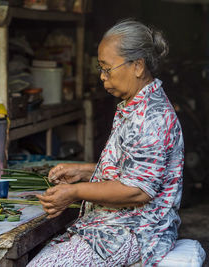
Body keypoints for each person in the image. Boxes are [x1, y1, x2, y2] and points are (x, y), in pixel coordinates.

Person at [27, 19, 184, 267]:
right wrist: (84, 171)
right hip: (113, 225)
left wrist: (74, 192)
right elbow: (132, 168)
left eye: (107, 68)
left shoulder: (150, 118)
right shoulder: (134, 107)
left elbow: (137, 190)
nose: (102, 76)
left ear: (138, 66)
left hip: (137, 232)